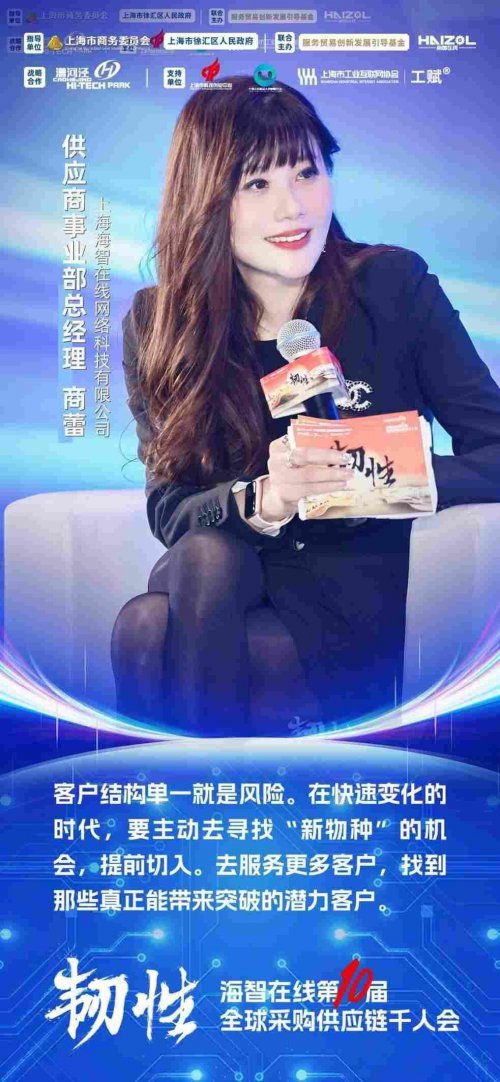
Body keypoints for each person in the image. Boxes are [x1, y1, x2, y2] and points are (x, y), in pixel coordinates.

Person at [112, 74, 500, 736]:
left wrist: (371, 476)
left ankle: (191, 789)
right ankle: (219, 783)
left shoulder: (390, 286)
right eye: (256, 183)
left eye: (306, 173)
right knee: (205, 557)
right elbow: (169, 506)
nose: (291, 207)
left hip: (344, 590)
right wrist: (265, 499)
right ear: (206, 199)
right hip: (222, 573)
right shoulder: (160, 322)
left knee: (145, 629)